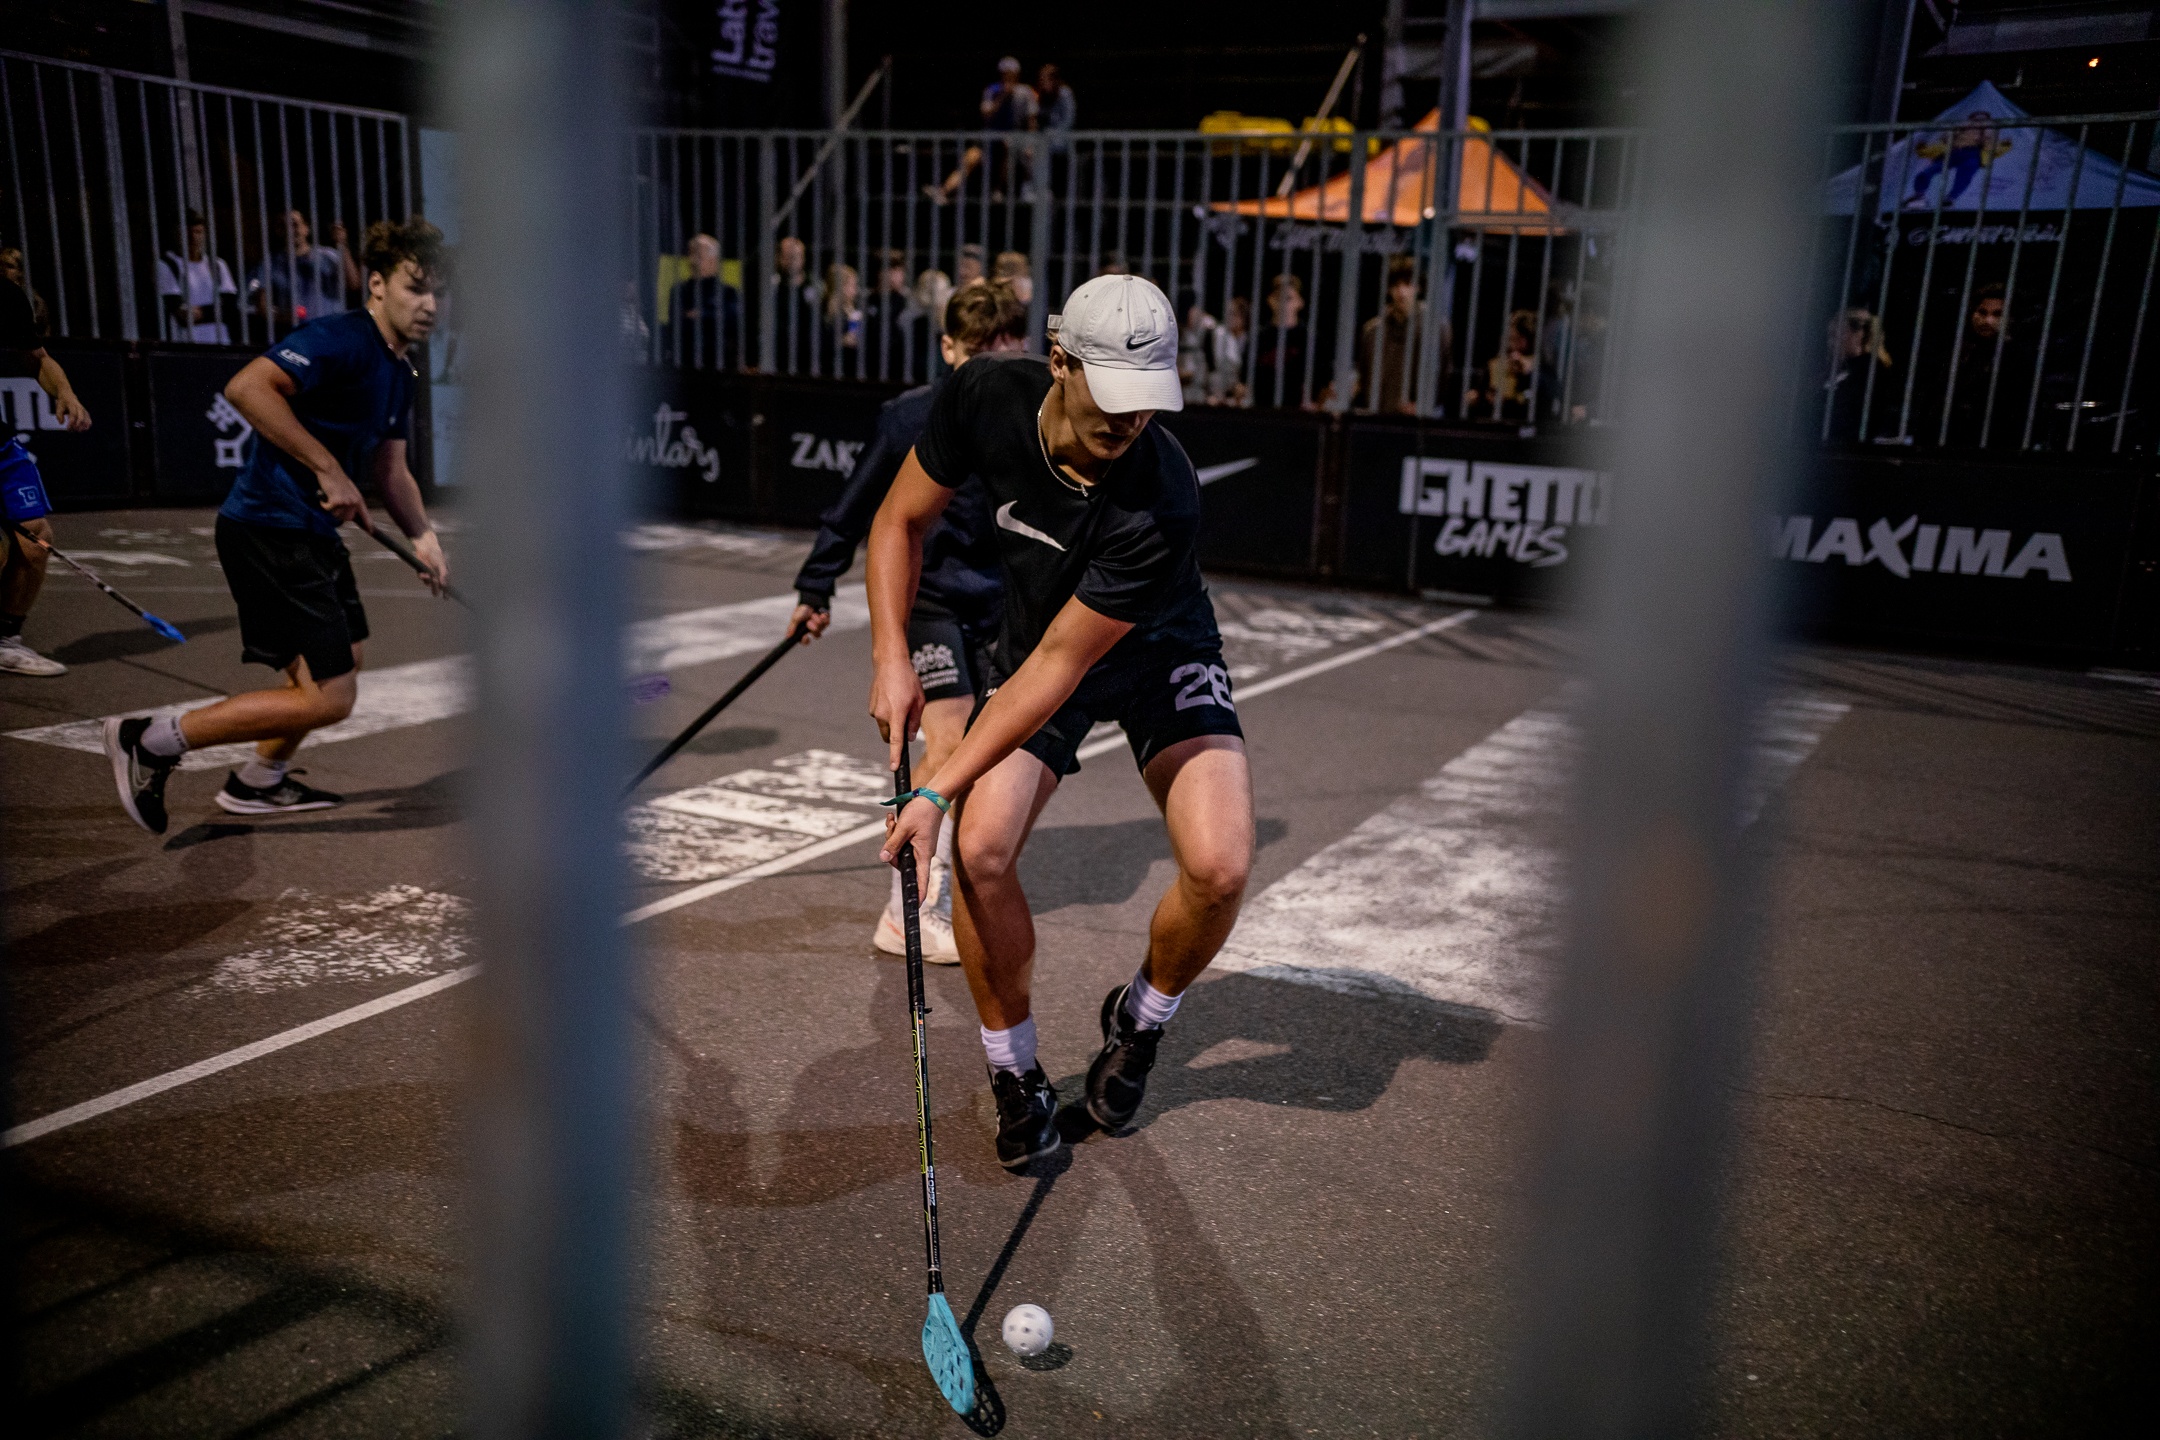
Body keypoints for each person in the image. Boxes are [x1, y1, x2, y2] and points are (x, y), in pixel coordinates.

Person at [868, 274, 1254, 1171]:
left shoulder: (1163, 490)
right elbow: (897, 522)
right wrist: (890, 655)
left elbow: (1060, 668)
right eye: (1113, 394)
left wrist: (933, 790)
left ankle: (1143, 1018)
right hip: (1037, 640)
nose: (1131, 419)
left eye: (1147, 398)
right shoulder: (982, 395)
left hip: (1154, 650)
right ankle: (1015, 1071)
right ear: (1059, 362)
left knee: (1221, 865)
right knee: (981, 852)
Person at [102, 219, 450, 833]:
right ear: (376, 284)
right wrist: (328, 469)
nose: (430, 305)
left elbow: (391, 469)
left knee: (345, 657)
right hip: (270, 528)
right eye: (416, 288)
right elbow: (247, 387)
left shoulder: (401, 371)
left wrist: (424, 538)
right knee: (331, 697)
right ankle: (150, 740)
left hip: (308, 532)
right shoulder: (340, 338)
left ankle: (258, 780)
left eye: (438, 293)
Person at [789, 279, 1030, 960]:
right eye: (975, 352)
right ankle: (908, 908)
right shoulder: (909, 418)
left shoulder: (1030, 418)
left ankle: (945, 870)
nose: (988, 367)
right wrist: (815, 586)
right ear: (948, 348)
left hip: (999, 603)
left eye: (1003, 350)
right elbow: (858, 508)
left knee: (989, 750)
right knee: (949, 739)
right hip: (928, 600)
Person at [0, 267, 94, 677]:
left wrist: (65, 392)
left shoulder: (6, 296)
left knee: (35, 539)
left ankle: (6, 640)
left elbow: (37, 357)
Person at [927, 58, 1039, 204]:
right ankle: (943, 191)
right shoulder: (992, 90)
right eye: (1005, 73)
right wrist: (1002, 96)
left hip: (1015, 138)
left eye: (1011, 74)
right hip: (990, 138)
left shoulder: (1026, 92)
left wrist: (1030, 142)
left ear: (1017, 74)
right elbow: (986, 114)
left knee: (1009, 146)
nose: (1007, 77)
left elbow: (1031, 119)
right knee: (971, 157)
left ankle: (998, 191)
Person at [1357, 256, 1444, 415]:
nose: (1401, 292)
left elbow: (1443, 378)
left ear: (1418, 287)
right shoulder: (1372, 331)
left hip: (1418, 420)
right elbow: (1363, 377)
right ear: (1388, 288)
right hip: (1376, 419)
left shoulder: (1436, 329)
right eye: (1396, 285)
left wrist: (1422, 405)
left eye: (1407, 284)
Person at [249, 211, 360, 335]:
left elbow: (354, 283)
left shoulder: (328, 256)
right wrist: (282, 316)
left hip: (331, 331)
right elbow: (262, 305)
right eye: (283, 226)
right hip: (295, 335)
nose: (290, 230)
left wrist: (342, 244)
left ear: (306, 229)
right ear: (278, 231)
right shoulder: (270, 263)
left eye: (294, 224)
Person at [157, 213, 240, 343]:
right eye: (187, 233)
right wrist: (213, 311)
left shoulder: (217, 265)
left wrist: (200, 312)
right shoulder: (167, 265)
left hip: (220, 341)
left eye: (198, 232)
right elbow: (177, 310)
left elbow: (230, 307)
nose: (193, 238)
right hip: (185, 342)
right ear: (176, 233)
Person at [666, 233, 742, 370]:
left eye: (699, 256)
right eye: (690, 254)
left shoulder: (729, 292)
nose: (692, 261)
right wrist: (713, 315)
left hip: (721, 366)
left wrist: (699, 314)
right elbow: (678, 324)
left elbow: (732, 321)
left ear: (714, 261)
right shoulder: (679, 290)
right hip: (685, 364)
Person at [1819, 306, 1894, 444]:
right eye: (1830, 336)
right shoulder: (1836, 368)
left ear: (1859, 334)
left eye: (1835, 335)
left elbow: (1855, 414)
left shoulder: (1870, 370)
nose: (1831, 342)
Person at [1251, 273, 1310, 408]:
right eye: (1279, 298)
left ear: (1300, 302)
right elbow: (1244, 380)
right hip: (1261, 410)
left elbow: (1322, 382)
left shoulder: (1309, 339)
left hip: (1300, 414)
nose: (1283, 304)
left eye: (1289, 298)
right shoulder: (1258, 338)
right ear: (1270, 300)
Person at [863, 250, 920, 380]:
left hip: (899, 370)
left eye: (899, 270)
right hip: (871, 367)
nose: (896, 275)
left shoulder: (908, 302)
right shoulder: (867, 301)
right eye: (891, 270)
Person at [769, 235, 821, 373]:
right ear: (778, 258)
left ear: (803, 258)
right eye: (787, 256)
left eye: (796, 256)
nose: (791, 261)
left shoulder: (815, 288)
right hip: (777, 361)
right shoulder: (771, 288)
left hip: (807, 363)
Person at [820, 262, 864, 378]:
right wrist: (841, 341)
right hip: (828, 368)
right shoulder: (823, 311)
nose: (856, 290)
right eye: (853, 286)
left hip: (849, 368)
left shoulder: (852, 310)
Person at [1206, 295, 1249, 406]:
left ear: (1243, 317)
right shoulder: (1220, 335)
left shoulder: (1249, 340)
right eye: (1227, 313)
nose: (1228, 317)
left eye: (1233, 314)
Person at [0, 249, 51, 337]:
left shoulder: (34, 301)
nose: (3, 270)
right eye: (0, 265)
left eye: (10, 266)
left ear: (20, 272)